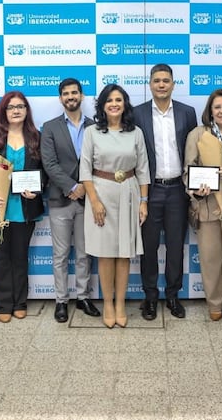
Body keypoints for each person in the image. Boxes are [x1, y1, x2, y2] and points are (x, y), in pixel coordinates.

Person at [80, 84, 150, 328]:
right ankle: (108, 304)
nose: (114, 104)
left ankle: (121, 303)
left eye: (118, 100)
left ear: (124, 104)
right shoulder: (92, 132)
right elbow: (85, 170)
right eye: (109, 100)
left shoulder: (136, 132)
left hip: (129, 193)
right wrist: (95, 201)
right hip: (101, 193)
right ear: (102, 105)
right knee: (106, 253)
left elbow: (143, 169)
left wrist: (144, 202)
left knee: (124, 253)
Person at [0, 91, 45, 323]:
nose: (16, 110)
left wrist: (37, 189)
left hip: (25, 207)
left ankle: (20, 302)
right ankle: (3, 304)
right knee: (0, 257)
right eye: (11, 107)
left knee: (20, 256)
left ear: (26, 110)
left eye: (21, 106)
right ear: (3, 111)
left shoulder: (36, 136)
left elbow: (45, 170)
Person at [134, 63, 197, 320]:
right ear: (150, 84)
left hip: (177, 190)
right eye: (157, 80)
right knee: (148, 246)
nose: (161, 84)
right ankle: (150, 296)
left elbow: (193, 150)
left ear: (173, 84)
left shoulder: (187, 112)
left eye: (166, 80)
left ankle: (172, 294)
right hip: (150, 189)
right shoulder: (137, 114)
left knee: (175, 245)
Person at [41, 78, 101, 322]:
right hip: (61, 199)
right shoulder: (50, 127)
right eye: (65, 94)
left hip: (88, 200)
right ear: (60, 98)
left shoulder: (95, 126)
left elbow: (100, 161)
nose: (70, 97)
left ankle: (83, 297)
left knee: (85, 253)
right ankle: (61, 300)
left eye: (74, 92)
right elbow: (49, 163)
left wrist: (85, 189)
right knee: (61, 254)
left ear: (82, 95)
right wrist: (72, 187)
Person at [183, 89, 222, 324]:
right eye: (217, 107)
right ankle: (215, 303)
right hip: (207, 205)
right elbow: (188, 169)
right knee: (210, 258)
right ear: (210, 111)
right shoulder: (197, 134)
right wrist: (195, 188)